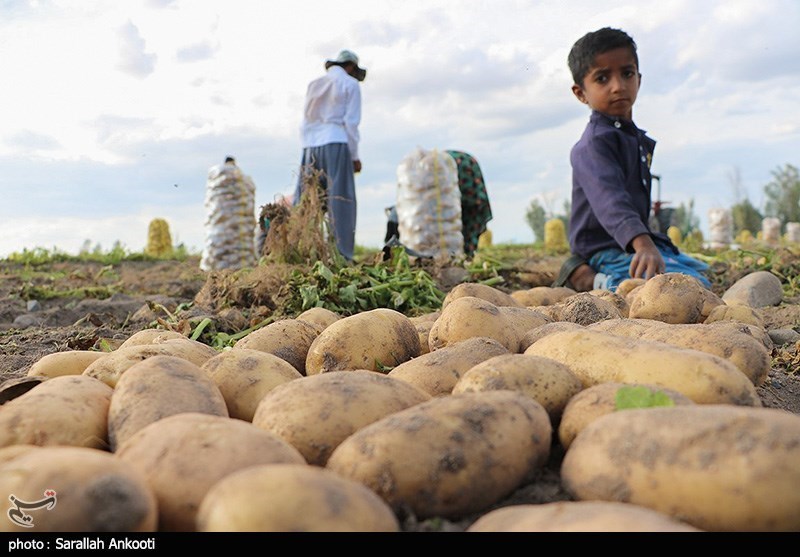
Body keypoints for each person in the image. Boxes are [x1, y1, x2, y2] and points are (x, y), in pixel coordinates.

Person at [553, 27, 711, 292]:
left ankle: (619, 268)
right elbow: (610, 201)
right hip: (602, 246)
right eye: (602, 79)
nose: (618, 86)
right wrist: (642, 244)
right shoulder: (592, 145)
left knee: (700, 271)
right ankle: (590, 278)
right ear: (581, 93)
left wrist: (647, 242)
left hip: (628, 243)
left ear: (639, 78)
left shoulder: (629, 137)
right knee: (687, 287)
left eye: (627, 74)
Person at [292, 49, 366, 262]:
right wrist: (354, 155)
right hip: (336, 141)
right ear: (350, 67)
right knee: (340, 200)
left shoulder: (314, 84)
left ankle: (302, 252)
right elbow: (351, 123)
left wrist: (307, 149)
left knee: (308, 200)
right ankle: (341, 256)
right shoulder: (350, 85)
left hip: (310, 146)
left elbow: (305, 121)